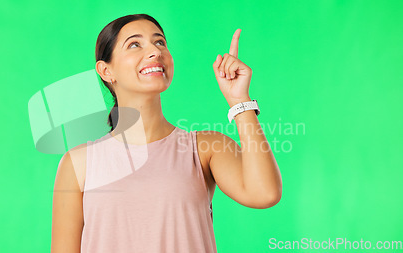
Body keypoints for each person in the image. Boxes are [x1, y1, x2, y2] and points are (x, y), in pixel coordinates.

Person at [51, 14, 282, 253]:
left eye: (159, 42)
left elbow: (264, 193)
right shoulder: (79, 163)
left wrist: (239, 100)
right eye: (134, 44)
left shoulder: (205, 148)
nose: (155, 51)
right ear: (106, 70)